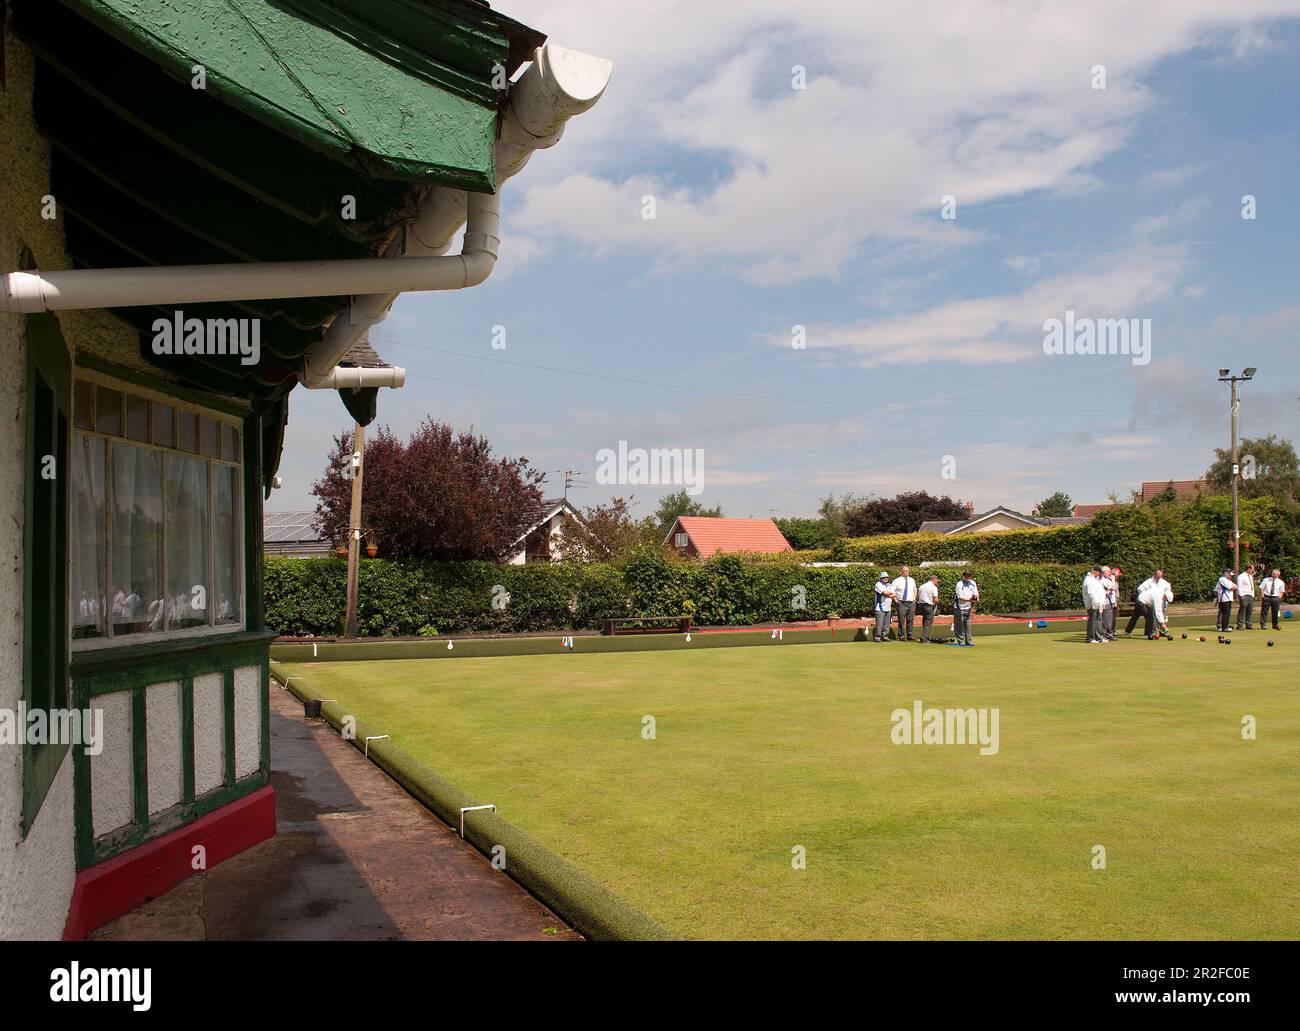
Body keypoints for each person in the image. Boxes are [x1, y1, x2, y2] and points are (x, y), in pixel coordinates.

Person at [1125, 569, 1167, 638]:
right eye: (1158, 576)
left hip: (1143, 601)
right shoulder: (1149, 582)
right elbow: (1139, 589)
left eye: (1161, 576)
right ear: (1155, 575)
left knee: (1135, 616)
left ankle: (1128, 631)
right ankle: (1147, 634)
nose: (1159, 578)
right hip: (1142, 601)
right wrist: (1163, 623)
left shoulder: (1163, 583)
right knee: (1149, 616)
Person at [1137, 572, 1174, 639]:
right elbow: (1158, 611)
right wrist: (1163, 625)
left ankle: (1153, 633)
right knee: (1150, 617)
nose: (1165, 600)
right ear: (1165, 596)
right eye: (1166, 599)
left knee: (1151, 616)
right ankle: (1148, 635)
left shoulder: (1162, 590)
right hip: (1140, 602)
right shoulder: (1159, 596)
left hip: (1146, 602)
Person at [891, 565, 918, 642]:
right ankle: (901, 636)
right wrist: (896, 601)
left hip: (911, 603)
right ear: (901, 572)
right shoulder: (896, 581)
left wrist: (914, 599)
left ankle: (910, 635)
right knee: (901, 620)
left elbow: (915, 590)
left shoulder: (912, 580)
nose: (906, 572)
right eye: (905, 571)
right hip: (901, 602)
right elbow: (892, 591)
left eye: (908, 571)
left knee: (910, 620)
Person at [951, 571, 979, 646]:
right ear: (963, 576)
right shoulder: (959, 584)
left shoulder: (973, 583)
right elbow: (960, 597)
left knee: (968, 624)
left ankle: (968, 641)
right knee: (959, 624)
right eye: (966, 576)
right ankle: (961, 641)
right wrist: (970, 600)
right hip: (959, 607)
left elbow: (976, 593)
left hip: (968, 607)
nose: (968, 577)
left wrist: (977, 598)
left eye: (969, 576)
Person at [1083, 567, 1108, 643]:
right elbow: (1092, 594)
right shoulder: (1089, 580)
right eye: (1099, 572)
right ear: (1095, 572)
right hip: (1093, 604)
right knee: (1093, 621)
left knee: (1097, 621)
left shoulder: (1094, 579)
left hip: (1097, 603)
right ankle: (1090, 638)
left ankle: (1098, 637)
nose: (1100, 574)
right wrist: (1097, 605)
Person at [917, 574, 941, 643]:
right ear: (934, 579)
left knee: (925, 621)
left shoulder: (922, 586)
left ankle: (924, 636)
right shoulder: (933, 587)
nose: (937, 582)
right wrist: (938, 602)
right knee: (928, 622)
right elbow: (935, 599)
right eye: (937, 581)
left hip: (921, 605)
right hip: (928, 605)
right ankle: (924, 638)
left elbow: (918, 596)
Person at [873, 572, 895, 642]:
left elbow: (894, 594)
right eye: (884, 577)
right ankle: (877, 638)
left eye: (887, 577)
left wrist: (889, 594)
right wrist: (890, 593)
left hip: (888, 607)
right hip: (880, 607)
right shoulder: (878, 584)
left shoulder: (889, 585)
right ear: (881, 578)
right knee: (879, 624)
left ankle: (885, 637)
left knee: (886, 624)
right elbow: (885, 593)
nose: (886, 578)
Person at [1100, 565, 1119, 641]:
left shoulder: (1108, 579)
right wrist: (1113, 580)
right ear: (1104, 572)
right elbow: (1112, 588)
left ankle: (1109, 634)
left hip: (1111, 601)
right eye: (1108, 571)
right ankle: (1103, 635)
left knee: (1110, 619)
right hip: (1106, 602)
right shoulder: (1103, 580)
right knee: (1105, 619)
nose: (1110, 573)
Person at [1215, 569, 1236, 633]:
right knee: (1225, 613)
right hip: (1224, 599)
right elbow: (1231, 587)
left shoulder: (1228, 580)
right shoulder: (1222, 579)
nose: (1231, 576)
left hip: (1228, 599)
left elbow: (1235, 586)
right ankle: (1224, 627)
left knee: (1228, 613)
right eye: (1230, 574)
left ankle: (1225, 626)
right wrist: (1233, 587)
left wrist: (1233, 587)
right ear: (1226, 573)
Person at [1236, 564, 1256, 630]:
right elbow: (1239, 586)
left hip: (1251, 595)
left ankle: (1248, 624)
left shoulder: (1250, 576)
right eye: (1252, 569)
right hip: (1244, 595)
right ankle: (1239, 625)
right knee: (1242, 610)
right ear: (1248, 569)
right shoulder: (1241, 576)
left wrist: (1253, 595)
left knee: (1249, 610)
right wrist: (1241, 595)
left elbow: (1251, 586)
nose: (1253, 570)